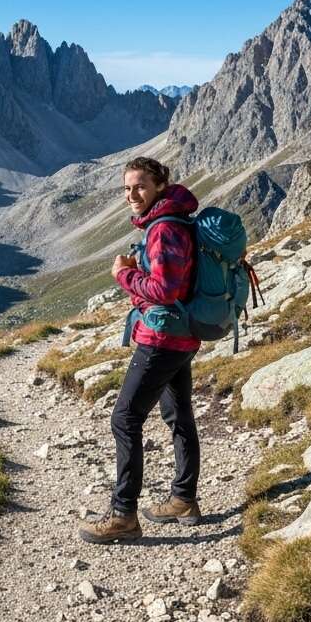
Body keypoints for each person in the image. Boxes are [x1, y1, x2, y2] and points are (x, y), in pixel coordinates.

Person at [79, 156, 202, 543]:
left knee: (125, 419)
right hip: (183, 336)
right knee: (178, 413)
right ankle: (183, 499)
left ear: (160, 186)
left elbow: (165, 291)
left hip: (161, 339)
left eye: (140, 186)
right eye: (127, 188)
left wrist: (124, 275)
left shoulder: (164, 228)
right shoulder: (174, 219)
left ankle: (123, 515)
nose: (132, 194)